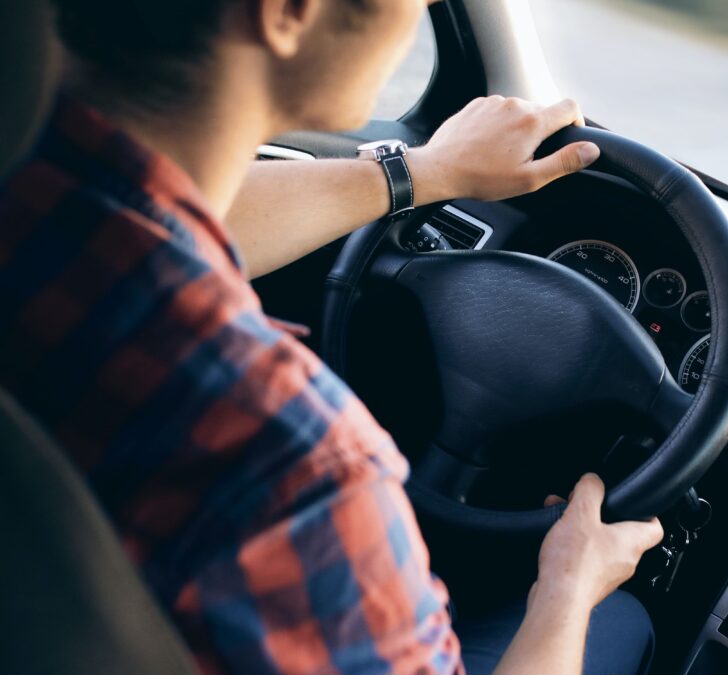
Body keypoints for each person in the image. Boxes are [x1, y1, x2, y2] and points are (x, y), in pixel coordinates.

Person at [0, 0, 665, 673]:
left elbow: (171, 216)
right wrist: (567, 586)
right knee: (618, 618)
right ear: (288, 12)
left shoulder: (33, 186)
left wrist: (427, 171)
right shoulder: (293, 466)